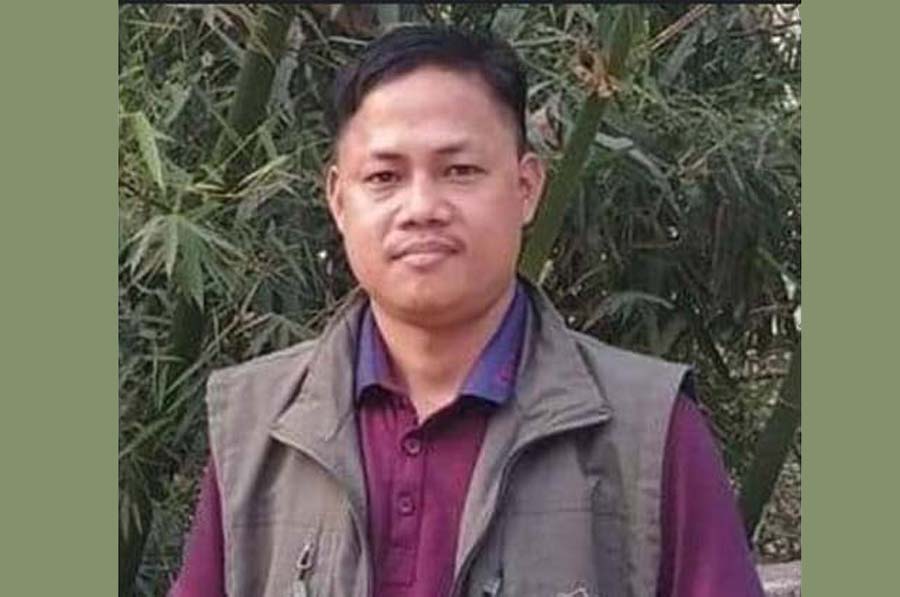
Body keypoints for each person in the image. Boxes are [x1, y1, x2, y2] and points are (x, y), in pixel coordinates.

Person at [170, 25, 765, 597]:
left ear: (526, 188)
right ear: (338, 200)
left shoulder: (647, 431)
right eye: (384, 176)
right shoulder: (258, 422)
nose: (421, 207)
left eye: (459, 171)